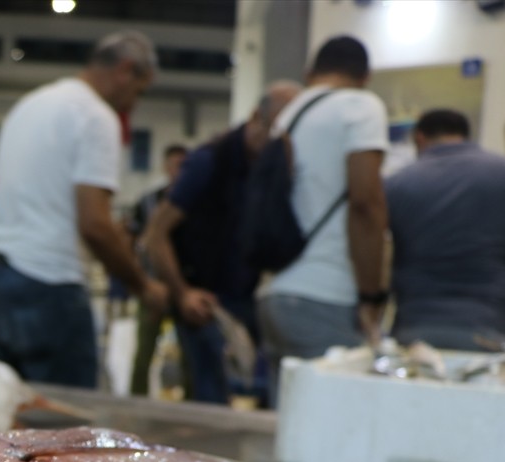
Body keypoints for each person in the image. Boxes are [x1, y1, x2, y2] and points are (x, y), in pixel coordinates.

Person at [0, 30, 168, 388]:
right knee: (65, 415)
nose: (133, 104)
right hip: (50, 287)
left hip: (0, 280)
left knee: (10, 408)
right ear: (125, 70)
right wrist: (142, 285)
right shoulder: (95, 117)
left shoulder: (28, 106)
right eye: (139, 91)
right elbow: (95, 224)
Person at [142, 82, 301, 406]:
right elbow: (156, 234)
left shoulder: (271, 168)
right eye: (277, 130)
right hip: (204, 302)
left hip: (248, 300)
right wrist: (182, 293)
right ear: (256, 118)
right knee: (211, 399)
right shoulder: (209, 161)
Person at [255, 35, 389, 407]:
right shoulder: (360, 106)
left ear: (309, 72)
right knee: (337, 424)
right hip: (324, 295)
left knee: (288, 426)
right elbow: (366, 203)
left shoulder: (289, 114)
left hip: (275, 295)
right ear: (365, 77)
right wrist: (371, 296)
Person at [384, 109, 505, 350]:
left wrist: (371, 312)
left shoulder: (396, 184)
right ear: (466, 135)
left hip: (413, 329)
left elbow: (379, 257)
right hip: (489, 329)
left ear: (419, 138)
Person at [126, 144, 185, 396]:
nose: (178, 171)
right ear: (165, 167)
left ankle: (191, 408)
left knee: (189, 357)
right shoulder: (148, 202)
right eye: (174, 165)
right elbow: (131, 240)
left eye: (183, 166)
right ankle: (135, 402)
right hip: (152, 286)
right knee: (143, 353)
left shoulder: (194, 202)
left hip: (183, 287)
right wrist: (139, 281)